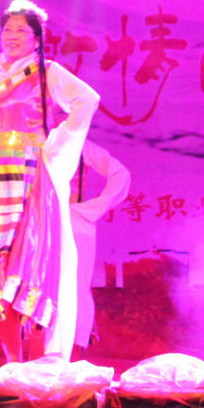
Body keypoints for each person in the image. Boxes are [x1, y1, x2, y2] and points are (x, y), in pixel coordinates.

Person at [0, 0, 99, 363]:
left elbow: (86, 100)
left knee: (32, 261)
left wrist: (54, 146)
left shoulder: (47, 72)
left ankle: (41, 362)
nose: (12, 36)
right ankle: (13, 362)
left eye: (21, 31)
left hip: (33, 178)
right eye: (7, 30)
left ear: (37, 38)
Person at [71, 139, 130, 352]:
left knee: (74, 286)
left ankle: (71, 355)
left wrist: (92, 209)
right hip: (36, 222)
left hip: (72, 220)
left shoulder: (80, 145)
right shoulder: (29, 142)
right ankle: (25, 360)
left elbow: (120, 174)